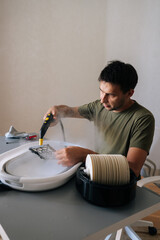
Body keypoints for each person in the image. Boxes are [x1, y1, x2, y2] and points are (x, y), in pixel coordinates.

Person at [44, 61, 155, 177]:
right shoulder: (99, 107)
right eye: (101, 91)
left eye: (111, 95)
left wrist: (85, 155)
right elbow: (71, 111)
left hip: (120, 183)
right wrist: (57, 110)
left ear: (129, 93)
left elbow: (132, 169)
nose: (103, 99)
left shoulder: (142, 119)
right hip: (97, 171)